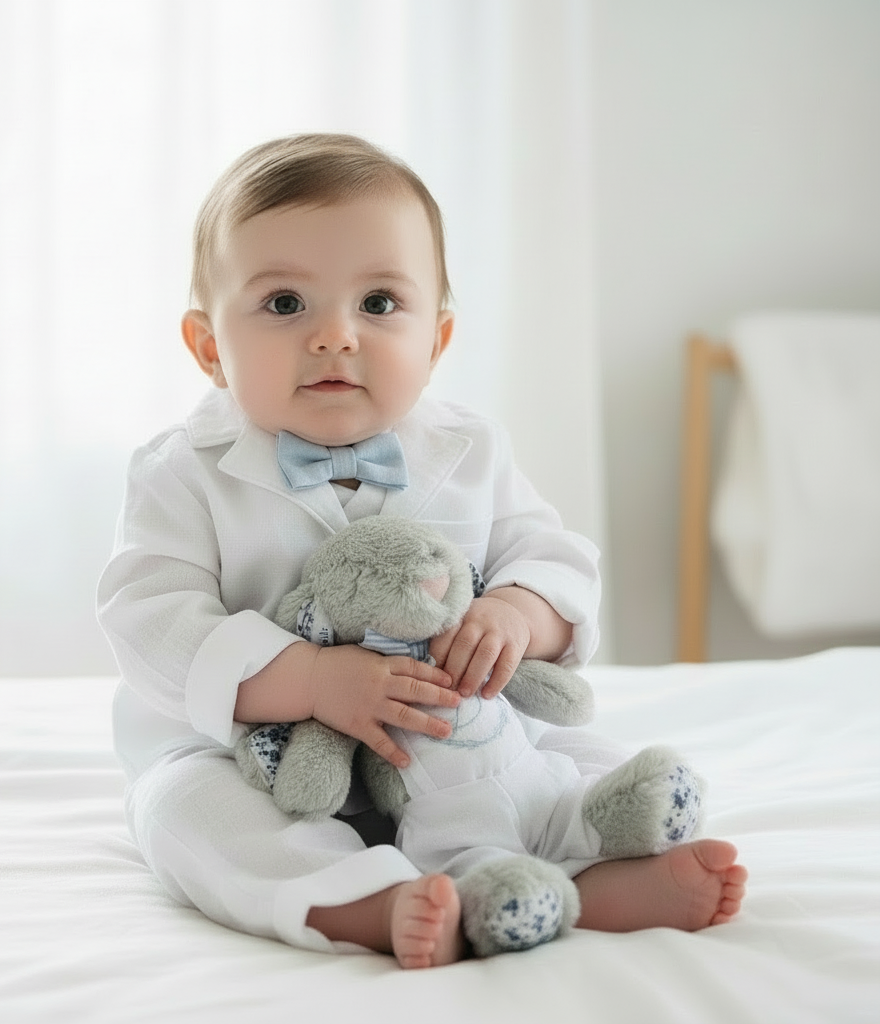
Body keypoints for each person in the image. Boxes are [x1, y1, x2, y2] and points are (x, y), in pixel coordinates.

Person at [97, 133, 746, 970]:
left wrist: (518, 613)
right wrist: (309, 680)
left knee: (579, 760)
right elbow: (150, 621)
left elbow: (555, 555)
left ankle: (596, 874)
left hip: (455, 747)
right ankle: (363, 901)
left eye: (378, 303)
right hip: (262, 758)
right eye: (285, 304)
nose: (335, 336)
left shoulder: (469, 449)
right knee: (184, 813)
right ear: (209, 346)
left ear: (437, 341)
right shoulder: (180, 473)